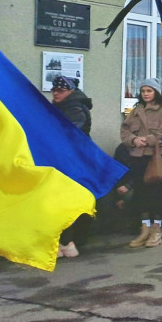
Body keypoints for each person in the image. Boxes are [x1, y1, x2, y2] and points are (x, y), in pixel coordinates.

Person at [120, 78, 162, 249]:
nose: (145, 94)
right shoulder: (136, 110)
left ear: (156, 92)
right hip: (139, 156)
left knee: (157, 193)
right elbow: (125, 129)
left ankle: (156, 230)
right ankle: (144, 229)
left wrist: (150, 139)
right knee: (141, 193)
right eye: (143, 91)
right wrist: (134, 140)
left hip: (157, 157)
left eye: (149, 91)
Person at [50, 75, 92, 258]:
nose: (56, 93)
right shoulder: (59, 107)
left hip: (75, 162)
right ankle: (63, 241)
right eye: (54, 90)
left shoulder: (75, 109)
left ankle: (69, 241)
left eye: (60, 90)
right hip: (64, 160)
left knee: (68, 201)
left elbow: (69, 133)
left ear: (70, 91)